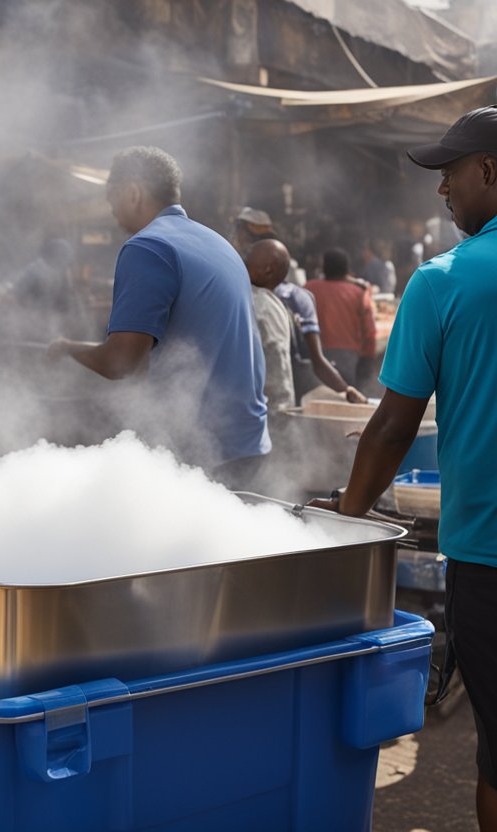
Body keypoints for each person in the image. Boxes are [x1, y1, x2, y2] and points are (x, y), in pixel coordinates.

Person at [310, 104, 497, 832]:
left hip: (488, 554)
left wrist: (346, 517)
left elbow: (393, 427)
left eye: (450, 173)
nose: (442, 190)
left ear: (489, 170)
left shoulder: (445, 279)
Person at [48, 146, 269, 486]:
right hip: (250, 444)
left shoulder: (148, 247)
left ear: (133, 192)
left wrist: (66, 348)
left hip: (204, 453)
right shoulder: (218, 244)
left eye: (112, 199)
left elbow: (122, 362)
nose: (112, 213)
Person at [258, 251, 367, 405]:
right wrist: (346, 389)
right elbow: (368, 328)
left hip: (257, 391)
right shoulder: (299, 296)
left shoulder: (310, 287)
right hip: (343, 355)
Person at [304, 248, 376, 387]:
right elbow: (369, 331)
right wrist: (368, 358)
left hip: (313, 354)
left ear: (324, 267)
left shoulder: (309, 288)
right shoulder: (358, 292)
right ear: (346, 268)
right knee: (346, 401)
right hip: (348, 357)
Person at [245, 240, 297, 414]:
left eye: (249, 259)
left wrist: (278, 413)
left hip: (270, 415)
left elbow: (277, 367)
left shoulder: (261, 306)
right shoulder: (263, 300)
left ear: (268, 269)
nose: (243, 262)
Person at [7, 237, 80, 338]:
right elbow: (17, 294)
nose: (65, 262)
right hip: (31, 320)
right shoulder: (34, 270)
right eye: (63, 257)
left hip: (49, 320)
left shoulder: (59, 271)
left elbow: (63, 298)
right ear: (53, 255)